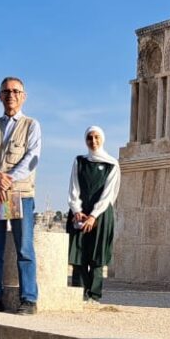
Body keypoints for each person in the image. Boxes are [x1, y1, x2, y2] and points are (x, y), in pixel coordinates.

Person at [0, 76, 41, 313]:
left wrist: (7, 179)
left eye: (15, 91)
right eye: (6, 91)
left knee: (24, 248)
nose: (10, 95)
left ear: (23, 96)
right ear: (0, 96)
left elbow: (32, 157)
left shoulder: (31, 125)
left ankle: (29, 299)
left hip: (20, 193)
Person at [67, 126, 121, 301]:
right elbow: (73, 187)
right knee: (78, 254)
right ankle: (78, 294)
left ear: (102, 139)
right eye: (90, 138)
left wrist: (93, 215)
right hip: (80, 214)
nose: (93, 141)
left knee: (97, 255)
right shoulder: (79, 161)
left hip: (101, 214)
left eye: (97, 137)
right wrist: (77, 210)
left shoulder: (111, 164)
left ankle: (94, 295)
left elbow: (108, 194)